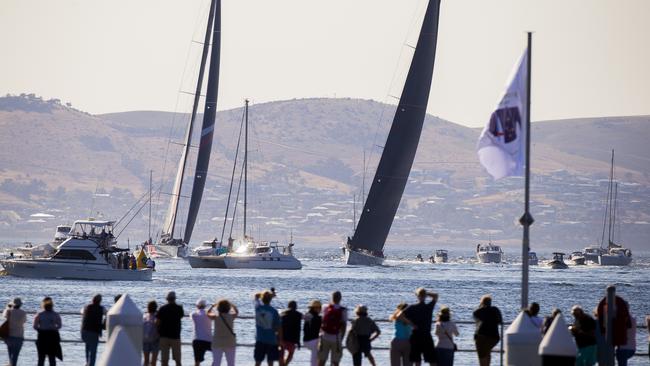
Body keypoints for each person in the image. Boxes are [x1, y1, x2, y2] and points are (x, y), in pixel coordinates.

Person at [403, 288, 438, 366]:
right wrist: (426, 293)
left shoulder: (412, 307)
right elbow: (436, 296)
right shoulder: (428, 307)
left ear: (417, 296)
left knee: (417, 360)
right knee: (431, 359)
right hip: (425, 335)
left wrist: (411, 324)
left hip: (417, 335)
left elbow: (400, 316)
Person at [318, 291, 348, 366]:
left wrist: (320, 334)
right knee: (335, 362)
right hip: (336, 338)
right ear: (340, 298)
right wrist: (341, 338)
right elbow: (344, 325)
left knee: (321, 360)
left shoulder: (325, 307)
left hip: (324, 336)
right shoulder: (343, 310)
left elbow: (321, 321)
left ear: (331, 298)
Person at [254, 290, 282, 366]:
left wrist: (267, 295)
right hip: (271, 340)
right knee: (270, 362)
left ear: (262, 298)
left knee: (258, 362)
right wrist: (280, 340)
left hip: (260, 339)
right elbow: (278, 327)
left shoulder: (258, 308)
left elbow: (256, 296)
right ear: (270, 299)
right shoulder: (274, 311)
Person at [472, 295, 502, 366]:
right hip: (494, 337)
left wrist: (480, 306)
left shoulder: (480, 311)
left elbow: (475, 314)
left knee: (482, 354)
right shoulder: (495, 310)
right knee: (487, 352)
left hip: (482, 336)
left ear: (482, 303)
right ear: (490, 302)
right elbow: (500, 321)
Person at [157, 291, 185, 366]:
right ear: (174, 299)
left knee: (164, 361)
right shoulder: (179, 308)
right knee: (178, 361)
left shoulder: (162, 308)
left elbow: (158, 322)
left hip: (164, 337)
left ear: (167, 299)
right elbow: (181, 316)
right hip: (175, 336)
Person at [208, 299, 238, 366]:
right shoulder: (231, 316)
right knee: (231, 363)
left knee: (216, 363)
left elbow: (208, 313)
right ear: (228, 308)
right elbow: (237, 311)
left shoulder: (215, 317)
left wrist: (212, 306)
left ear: (219, 308)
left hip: (217, 342)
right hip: (230, 342)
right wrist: (232, 305)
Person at [33, 297, 62, 366]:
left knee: (41, 358)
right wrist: (53, 327)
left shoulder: (40, 314)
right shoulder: (55, 314)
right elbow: (59, 325)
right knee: (52, 358)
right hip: (52, 336)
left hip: (42, 336)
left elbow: (35, 326)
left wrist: (40, 329)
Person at [80, 294, 106, 366]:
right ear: (100, 301)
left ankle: (87, 363)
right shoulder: (101, 308)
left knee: (87, 347)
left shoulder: (86, 307)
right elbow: (108, 313)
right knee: (93, 352)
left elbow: (81, 311)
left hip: (84, 331)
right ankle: (91, 364)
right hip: (94, 332)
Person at [3, 297, 27, 366]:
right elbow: (24, 321)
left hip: (9, 335)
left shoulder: (9, 311)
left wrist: (8, 307)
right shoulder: (23, 313)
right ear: (20, 305)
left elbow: (4, 316)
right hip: (19, 335)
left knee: (10, 354)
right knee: (15, 355)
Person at [280, 300, 302, 366]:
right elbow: (298, 329)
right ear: (296, 307)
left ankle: (282, 365)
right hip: (292, 339)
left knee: (281, 354)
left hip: (283, 338)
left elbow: (279, 326)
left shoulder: (283, 314)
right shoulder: (299, 315)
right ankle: (285, 364)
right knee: (291, 353)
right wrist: (298, 341)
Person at [191, 299, 212, 366]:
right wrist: (211, 308)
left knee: (197, 361)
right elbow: (209, 314)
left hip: (197, 340)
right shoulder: (209, 315)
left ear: (197, 306)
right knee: (217, 356)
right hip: (208, 340)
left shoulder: (193, 314)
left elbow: (199, 314)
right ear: (205, 306)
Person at [303, 300, 322, 366]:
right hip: (313, 340)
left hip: (305, 340)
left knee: (315, 356)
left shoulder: (307, 315)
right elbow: (320, 330)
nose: (320, 309)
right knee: (315, 357)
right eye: (320, 307)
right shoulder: (318, 318)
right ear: (315, 308)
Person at [143, 301, 160, 366]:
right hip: (155, 340)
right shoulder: (158, 317)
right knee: (153, 361)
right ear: (156, 308)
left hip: (145, 340)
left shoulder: (144, 316)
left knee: (146, 360)